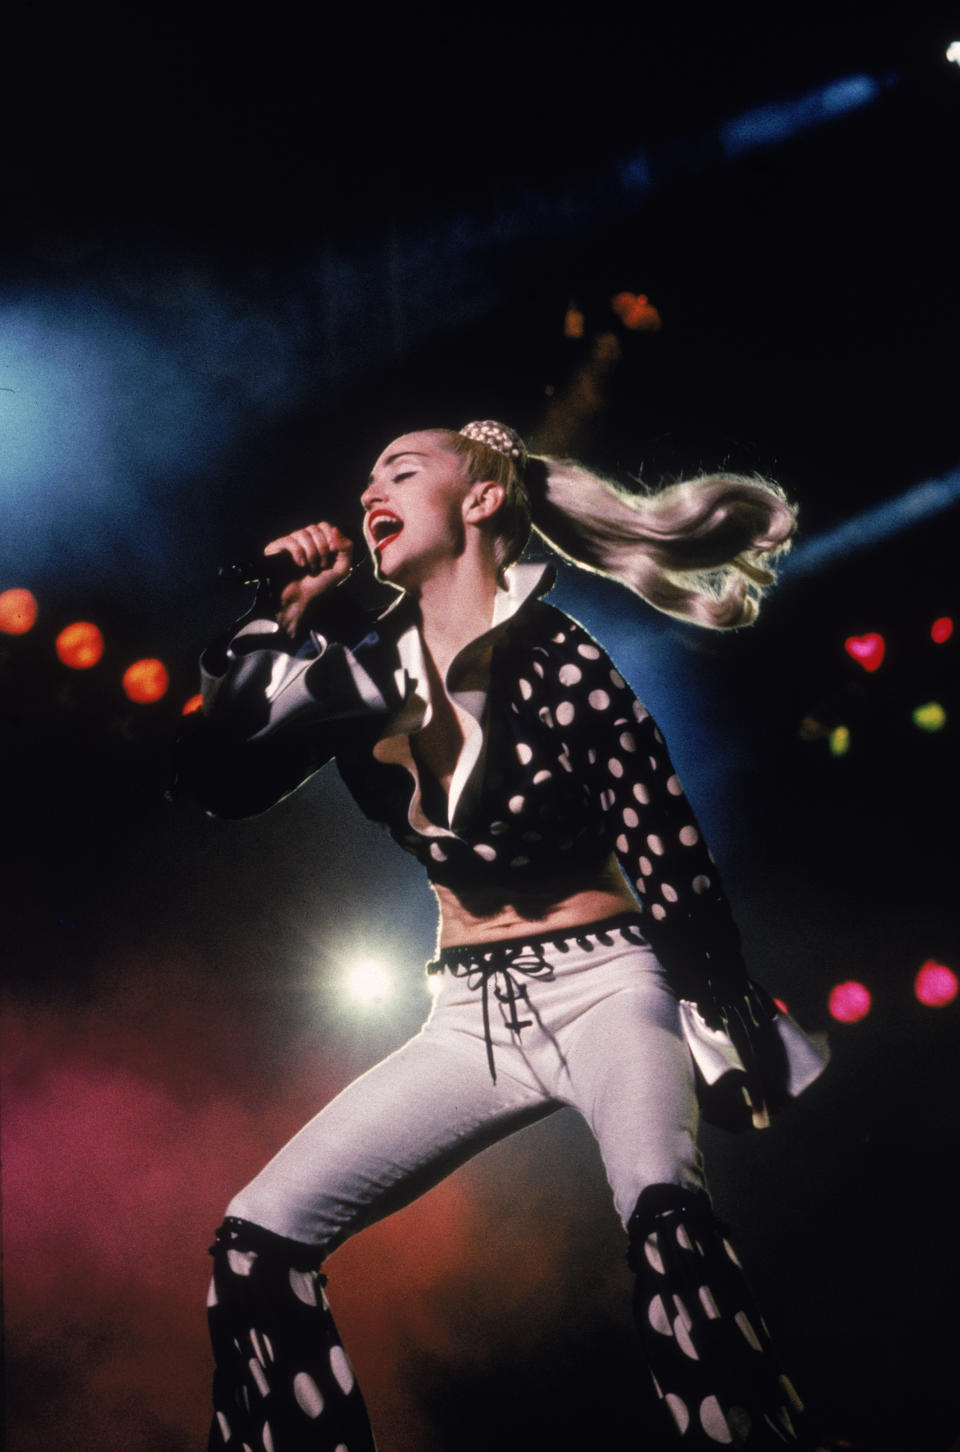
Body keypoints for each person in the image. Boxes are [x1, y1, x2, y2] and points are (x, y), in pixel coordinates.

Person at [182, 421, 829, 1452]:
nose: (369, 492)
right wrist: (277, 616)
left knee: (667, 1222)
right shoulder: (360, 674)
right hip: (466, 1016)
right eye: (365, 478)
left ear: (480, 500)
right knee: (259, 1237)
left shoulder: (561, 658)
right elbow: (217, 780)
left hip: (611, 988)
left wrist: (723, 1008)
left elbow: (661, 833)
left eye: (400, 470)